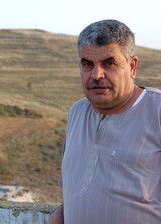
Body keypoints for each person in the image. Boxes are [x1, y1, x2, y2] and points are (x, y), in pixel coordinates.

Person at [47, 19, 161, 224]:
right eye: (87, 64)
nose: (96, 74)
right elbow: (81, 189)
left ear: (132, 66)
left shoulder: (157, 112)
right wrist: (62, 213)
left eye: (109, 63)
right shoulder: (77, 112)